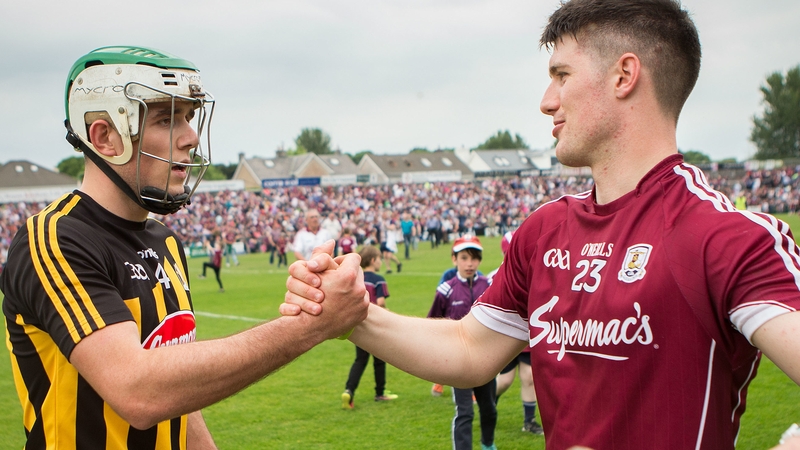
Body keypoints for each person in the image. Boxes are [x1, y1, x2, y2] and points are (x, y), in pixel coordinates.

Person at [282, 2, 800, 449]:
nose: (546, 100)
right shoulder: (545, 231)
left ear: (624, 76)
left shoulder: (729, 239)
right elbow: (469, 350)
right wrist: (353, 317)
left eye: (562, 75)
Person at [0, 46, 368, 449]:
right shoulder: (54, 239)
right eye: (166, 119)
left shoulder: (165, 241)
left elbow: (176, 387)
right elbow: (139, 391)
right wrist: (310, 326)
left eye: (189, 118)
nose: (190, 137)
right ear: (105, 136)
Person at [427, 235, 497, 450]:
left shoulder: (490, 285)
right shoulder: (445, 290)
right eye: (464, 257)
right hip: (459, 362)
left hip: (486, 360)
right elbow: (432, 324)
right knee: (465, 411)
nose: (469, 263)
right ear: (454, 259)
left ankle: (487, 444)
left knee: (489, 409)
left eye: (474, 258)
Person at [489, 231, 543, 436]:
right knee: (504, 380)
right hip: (507, 334)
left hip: (530, 334)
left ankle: (529, 421)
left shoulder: (539, 273)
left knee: (529, 377)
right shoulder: (495, 276)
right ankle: (488, 403)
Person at [341, 245, 398, 409]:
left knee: (360, 360)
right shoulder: (378, 279)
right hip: (374, 324)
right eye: (379, 258)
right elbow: (380, 303)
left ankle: (349, 391)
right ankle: (380, 392)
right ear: (373, 260)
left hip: (358, 324)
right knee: (380, 360)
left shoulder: (356, 279)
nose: (380, 261)